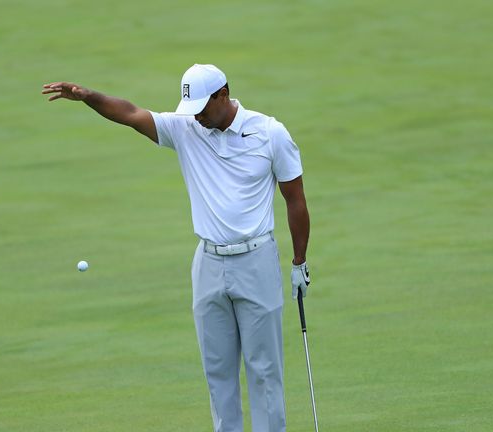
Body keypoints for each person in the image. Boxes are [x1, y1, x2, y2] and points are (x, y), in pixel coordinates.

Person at [42, 64, 311, 432]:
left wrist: (299, 262)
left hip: (256, 260)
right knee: (217, 369)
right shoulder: (186, 129)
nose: (197, 116)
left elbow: (294, 199)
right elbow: (132, 114)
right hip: (208, 265)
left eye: (203, 107)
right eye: (192, 108)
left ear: (224, 94)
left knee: (264, 370)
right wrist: (89, 97)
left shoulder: (269, 133)